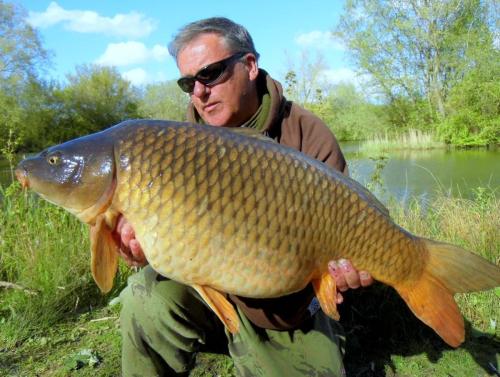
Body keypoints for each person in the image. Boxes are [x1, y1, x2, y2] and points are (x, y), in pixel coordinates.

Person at [115, 17, 373, 377]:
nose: (199, 92)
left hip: (284, 309)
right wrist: (137, 254)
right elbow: (156, 243)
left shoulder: (305, 132)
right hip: (204, 293)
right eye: (188, 83)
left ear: (250, 66)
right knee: (143, 297)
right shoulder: (173, 148)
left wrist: (344, 270)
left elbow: (350, 234)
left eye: (211, 73)